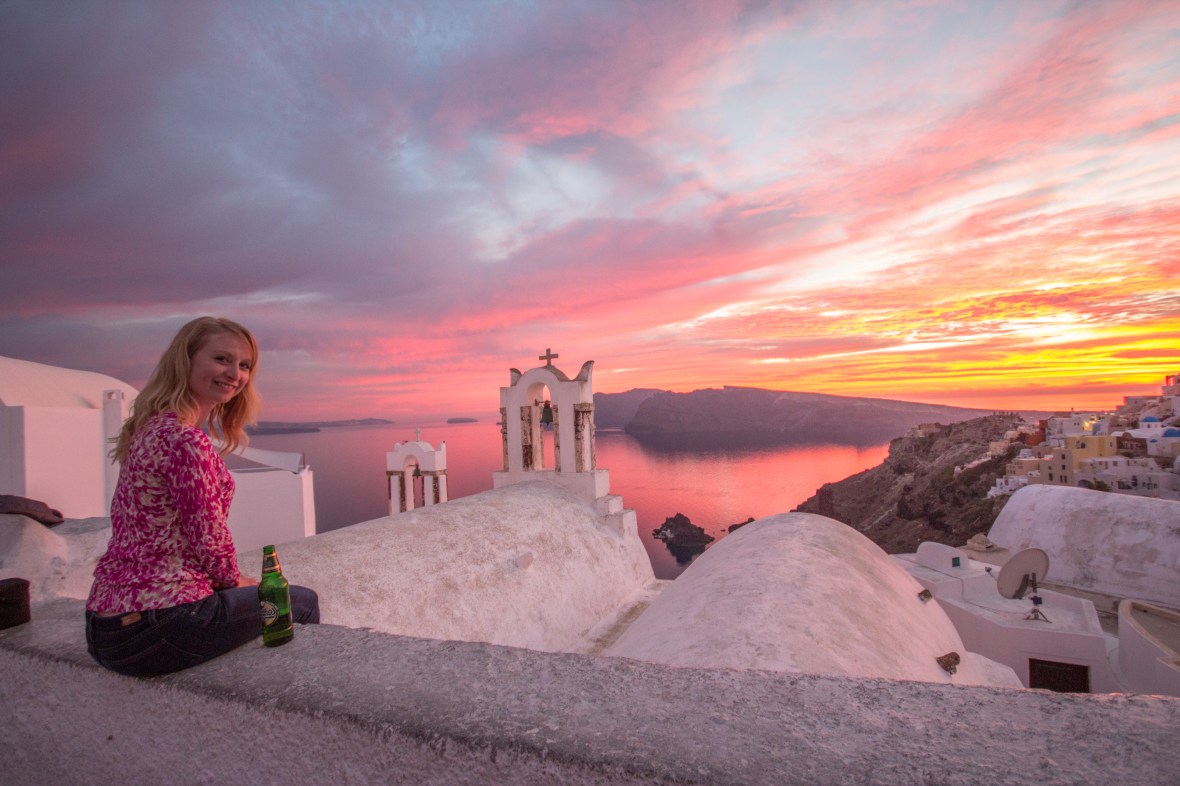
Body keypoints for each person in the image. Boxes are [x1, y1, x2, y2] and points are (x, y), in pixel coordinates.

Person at [85, 316, 319, 677]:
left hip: (106, 627)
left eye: (244, 365)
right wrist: (236, 581)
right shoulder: (186, 440)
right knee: (300, 601)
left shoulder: (149, 429)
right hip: (161, 622)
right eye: (222, 359)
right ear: (186, 361)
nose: (235, 374)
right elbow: (209, 537)